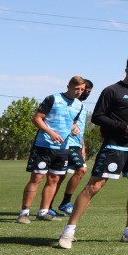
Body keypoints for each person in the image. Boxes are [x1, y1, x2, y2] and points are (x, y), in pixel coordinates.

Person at [57, 57, 128, 249]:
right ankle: (68, 232)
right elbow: (99, 117)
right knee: (93, 187)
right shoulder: (111, 91)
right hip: (114, 147)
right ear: (127, 70)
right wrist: (123, 126)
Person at [18, 77, 86, 223]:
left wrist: (75, 128)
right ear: (68, 86)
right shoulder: (52, 99)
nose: (79, 92)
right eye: (76, 89)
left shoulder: (79, 105)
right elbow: (37, 118)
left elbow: (73, 122)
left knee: (54, 179)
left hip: (63, 148)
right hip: (44, 146)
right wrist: (50, 132)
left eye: (82, 89)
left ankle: (43, 212)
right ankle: (24, 213)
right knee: (36, 178)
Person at [55, 79, 93, 216]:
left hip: (76, 144)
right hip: (67, 143)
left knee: (61, 175)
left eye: (88, 92)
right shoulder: (69, 104)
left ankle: (50, 206)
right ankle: (65, 202)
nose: (85, 94)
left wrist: (83, 145)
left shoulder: (80, 106)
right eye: (84, 90)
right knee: (81, 169)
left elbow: (78, 127)